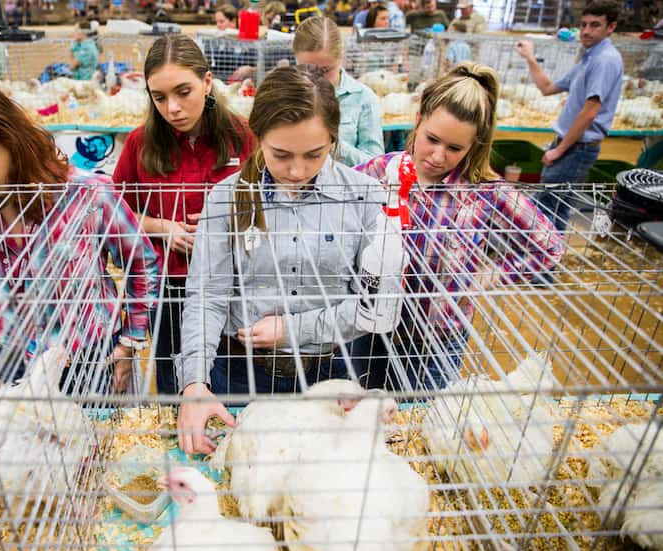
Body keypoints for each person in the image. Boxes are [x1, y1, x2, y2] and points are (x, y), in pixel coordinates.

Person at [175, 65, 398, 455]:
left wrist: (294, 329)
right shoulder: (228, 197)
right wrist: (195, 382)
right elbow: (207, 296)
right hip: (241, 373)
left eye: (314, 154)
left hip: (332, 375)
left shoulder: (365, 197)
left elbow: (375, 305)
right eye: (281, 154)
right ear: (258, 137)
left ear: (333, 139)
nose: (297, 170)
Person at [0, 74, 161, 392]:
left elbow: (142, 263)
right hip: (14, 374)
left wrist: (129, 343)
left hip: (94, 365)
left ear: (12, 142)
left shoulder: (85, 195)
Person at [353, 62, 565, 392]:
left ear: (474, 145)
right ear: (419, 118)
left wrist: (494, 274)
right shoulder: (382, 169)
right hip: (373, 328)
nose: (438, 156)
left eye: (454, 148)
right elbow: (335, 198)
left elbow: (550, 244)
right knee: (365, 408)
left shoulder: (486, 191)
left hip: (436, 339)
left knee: (422, 420)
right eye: (432, 140)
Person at [113, 34, 255, 395]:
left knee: (232, 376)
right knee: (175, 381)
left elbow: (266, 206)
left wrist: (229, 227)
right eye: (159, 97)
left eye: (183, 92)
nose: (172, 108)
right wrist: (162, 228)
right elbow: (114, 212)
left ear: (207, 82)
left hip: (233, 281)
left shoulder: (242, 136)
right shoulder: (139, 143)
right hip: (169, 284)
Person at [515, 0, 623, 233]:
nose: (586, 31)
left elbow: (590, 112)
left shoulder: (605, 60)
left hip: (577, 148)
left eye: (595, 25)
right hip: (570, 145)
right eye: (583, 24)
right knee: (553, 206)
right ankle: (541, 261)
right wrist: (530, 58)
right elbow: (548, 87)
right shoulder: (589, 58)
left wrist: (559, 149)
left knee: (549, 208)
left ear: (611, 27)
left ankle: (543, 265)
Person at [293, 16, 384, 166]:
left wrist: (333, 145)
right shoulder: (284, 95)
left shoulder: (363, 98)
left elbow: (375, 166)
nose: (316, 78)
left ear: (341, 57)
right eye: (306, 69)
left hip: (343, 187)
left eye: (325, 70)